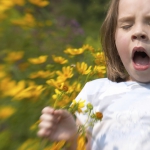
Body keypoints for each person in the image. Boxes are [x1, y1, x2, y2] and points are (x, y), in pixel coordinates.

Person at [37, 0, 150, 149]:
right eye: (126, 26)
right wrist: (72, 138)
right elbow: (83, 146)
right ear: (113, 38)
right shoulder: (95, 92)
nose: (138, 32)